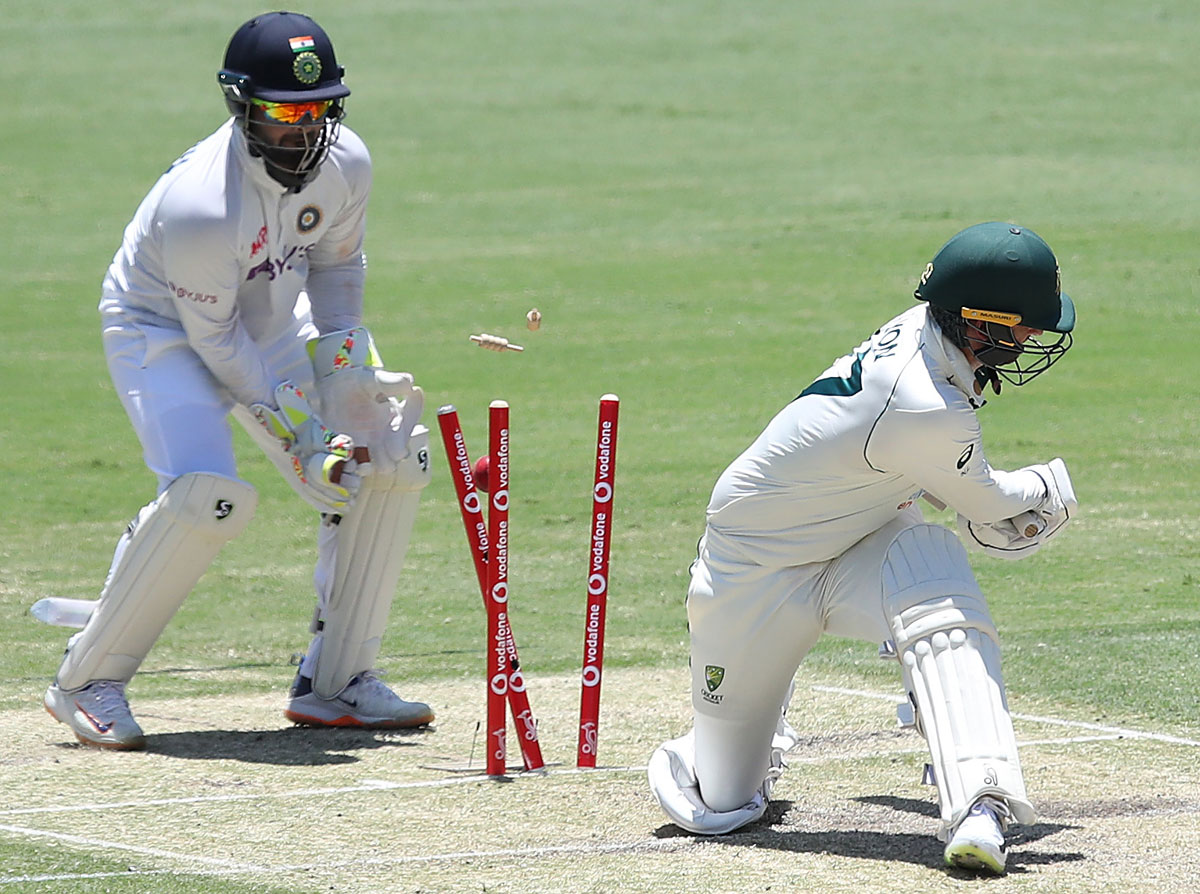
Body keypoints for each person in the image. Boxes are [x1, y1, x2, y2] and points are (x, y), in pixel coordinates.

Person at [43, 11, 435, 750]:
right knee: (208, 499)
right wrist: (301, 437)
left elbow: (339, 268)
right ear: (242, 104)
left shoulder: (347, 162)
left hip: (270, 319)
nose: (305, 128)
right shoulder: (201, 206)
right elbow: (215, 341)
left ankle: (336, 683)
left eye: (319, 109)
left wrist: (346, 380)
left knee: (387, 455)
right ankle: (85, 681)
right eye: (286, 112)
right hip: (162, 331)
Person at [648, 222, 1078, 874]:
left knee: (936, 577)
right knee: (722, 802)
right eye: (1021, 327)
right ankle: (750, 720)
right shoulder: (923, 402)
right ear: (978, 321)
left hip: (861, 539)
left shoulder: (934, 343)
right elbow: (989, 505)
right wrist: (1048, 486)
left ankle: (981, 807)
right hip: (753, 568)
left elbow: (944, 490)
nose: (1030, 340)